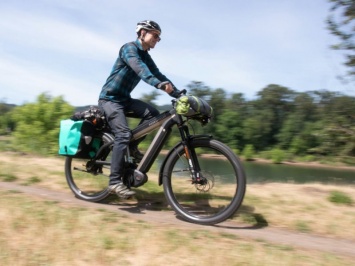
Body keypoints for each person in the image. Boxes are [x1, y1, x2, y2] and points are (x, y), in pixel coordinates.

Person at [98, 20, 180, 199]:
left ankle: (132, 146)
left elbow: (158, 73)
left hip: (124, 100)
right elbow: (141, 70)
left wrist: (177, 93)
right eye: (155, 35)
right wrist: (159, 84)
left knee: (153, 114)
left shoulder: (146, 56)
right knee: (123, 134)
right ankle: (114, 182)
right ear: (142, 33)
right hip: (110, 100)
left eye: (159, 37)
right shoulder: (129, 49)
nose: (157, 39)